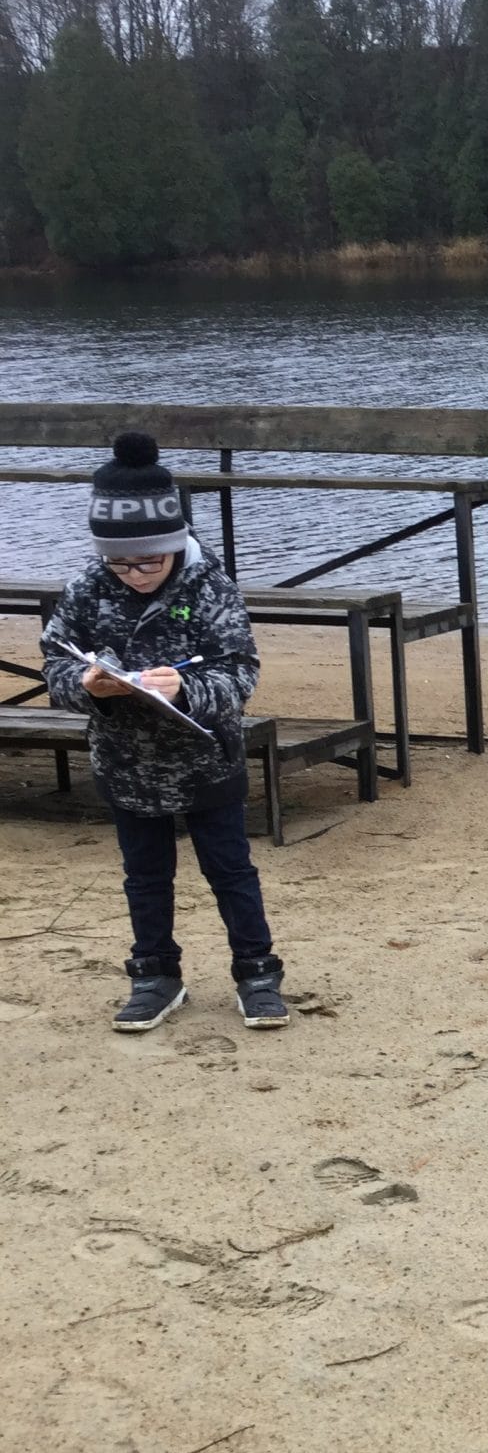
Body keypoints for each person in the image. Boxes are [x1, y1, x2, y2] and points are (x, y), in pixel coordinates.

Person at [41, 431, 289, 1033]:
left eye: (149, 559)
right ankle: (155, 975)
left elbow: (241, 671)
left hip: (206, 759)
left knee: (230, 870)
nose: (134, 573)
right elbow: (55, 664)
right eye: (120, 561)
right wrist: (88, 686)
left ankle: (256, 972)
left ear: (175, 545)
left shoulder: (211, 588)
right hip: (126, 762)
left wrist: (185, 691)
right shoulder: (86, 589)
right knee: (145, 875)